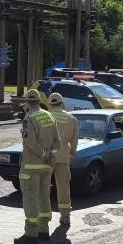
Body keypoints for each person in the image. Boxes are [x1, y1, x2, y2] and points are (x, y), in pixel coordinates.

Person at [15, 89, 59, 244]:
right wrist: (51, 157)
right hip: (47, 167)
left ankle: (31, 233)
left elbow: (31, 142)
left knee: (30, 198)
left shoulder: (29, 118)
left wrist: (43, 154)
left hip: (31, 166)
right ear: (39, 101)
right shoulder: (50, 116)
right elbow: (57, 142)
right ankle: (44, 230)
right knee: (44, 196)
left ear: (27, 103)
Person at [48, 92, 79, 227]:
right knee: (63, 187)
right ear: (62, 103)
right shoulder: (71, 118)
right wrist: (71, 153)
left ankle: (42, 216)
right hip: (64, 156)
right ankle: (65, 216)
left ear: (50, 104)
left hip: (48, 156)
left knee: (44, 186)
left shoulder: (47, 117)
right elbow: (75, 140)